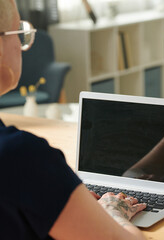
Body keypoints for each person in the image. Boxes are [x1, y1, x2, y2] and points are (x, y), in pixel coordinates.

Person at [0, 0, 146, 239]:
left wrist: (63, 193)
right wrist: (113, 212)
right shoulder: (22, 156)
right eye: (19, 33)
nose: (21, 46)